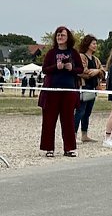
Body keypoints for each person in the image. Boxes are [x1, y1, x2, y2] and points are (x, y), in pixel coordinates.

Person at [39, 26, 84, 157]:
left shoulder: (74, 53)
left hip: (68, 90)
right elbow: (45, 69)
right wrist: (56, 67)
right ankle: (49, 148)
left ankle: (69, 148)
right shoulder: (51, 53)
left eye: (62, 35)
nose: (60, 37)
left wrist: (72, 68)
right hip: (52, 90)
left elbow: (80, 69)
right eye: (58, 35)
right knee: (49, 120)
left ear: (68, 37)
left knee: (68, 120)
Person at [74, 34, 105, 143]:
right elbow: (83, 71)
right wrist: (96, 72)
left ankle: (84, 134)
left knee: (87, 113)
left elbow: (102, 72)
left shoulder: (96, 59)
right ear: (87, 44)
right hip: (84, 87)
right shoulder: (81, 57)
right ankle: (73, 135)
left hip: (93, 88)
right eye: (94, 43)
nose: (95, 45)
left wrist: (97, 72)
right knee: (80, 111)